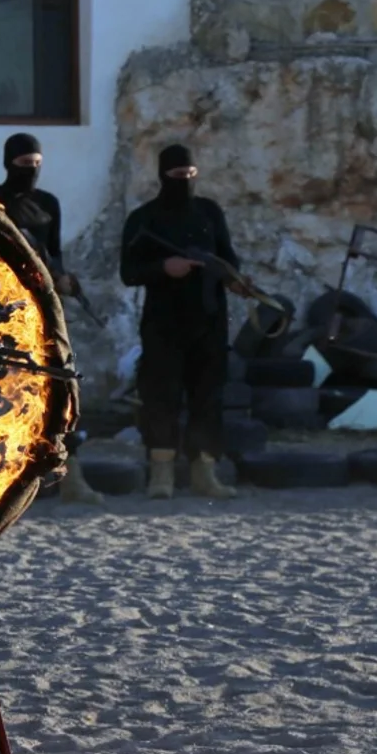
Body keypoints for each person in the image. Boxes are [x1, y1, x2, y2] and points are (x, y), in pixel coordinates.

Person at [0, 133, 103, 505]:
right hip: (0, 309)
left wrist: (62, 279)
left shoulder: (47, 203)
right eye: (24, 164)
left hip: (41, 311)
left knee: (55, 387)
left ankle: (69, 476)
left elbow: (53, 253)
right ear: (9, 163)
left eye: (36, 164)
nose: (31, 170)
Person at [119, 144, 240, 500]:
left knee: (208, 396)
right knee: (160, 395)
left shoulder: (209, 212)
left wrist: (233, 278)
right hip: (163, 323)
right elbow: (129, 272)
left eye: (190, 175)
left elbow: (228, 258)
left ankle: (205, 471)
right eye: (177, 176)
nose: (184, 181)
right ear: (163, 175)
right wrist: (164, 268)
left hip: (209, 319)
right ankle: (162, 472)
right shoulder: (143, 219)